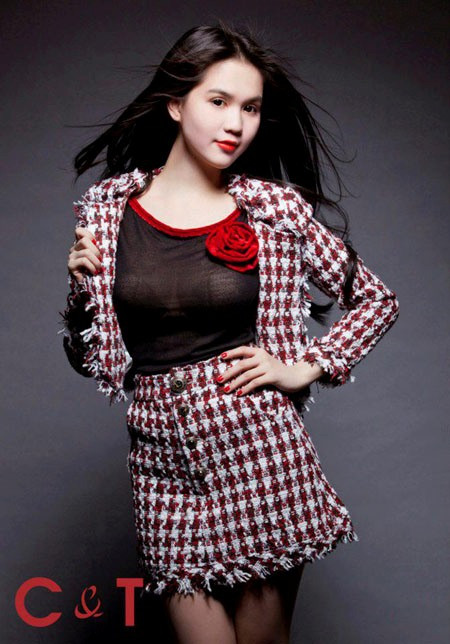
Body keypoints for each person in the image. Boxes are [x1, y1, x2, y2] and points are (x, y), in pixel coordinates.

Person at [59, 21, 399, 644]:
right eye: (218, 101)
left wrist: (306, 365)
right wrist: (81, 293)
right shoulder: (106, 212)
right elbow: (90, 359)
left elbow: (376, 299)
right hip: (159, 458)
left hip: (256, 446)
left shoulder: (273, 212)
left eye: (250, 107)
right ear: (175, 103)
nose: (235, 124)